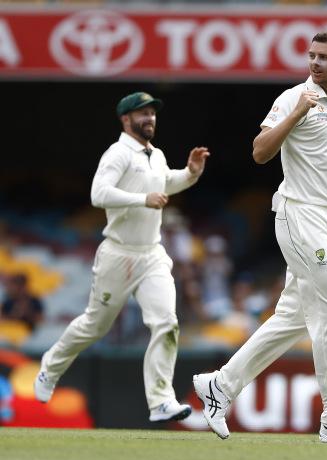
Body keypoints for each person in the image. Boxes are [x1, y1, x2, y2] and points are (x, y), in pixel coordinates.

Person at [192, 31, 327, 444]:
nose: (315, 63)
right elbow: (260, 152)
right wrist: (296, 113)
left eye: (325, 57)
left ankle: (220, 385)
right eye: (311, 56)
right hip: (297, 214)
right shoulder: (292, 97)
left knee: (292, 317)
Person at [34, 92, 210, 423]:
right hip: (118, 254)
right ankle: (49, 368)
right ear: (125, 120)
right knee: (94, 326)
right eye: (141, 114)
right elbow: (98, 194)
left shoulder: (155, 154)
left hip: (152, 254)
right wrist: (143, 199)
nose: (149, 119)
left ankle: (160, 400)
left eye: (152, 114)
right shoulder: (117, 154)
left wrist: (190, 173)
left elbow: (164, 183)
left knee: (166, 323)